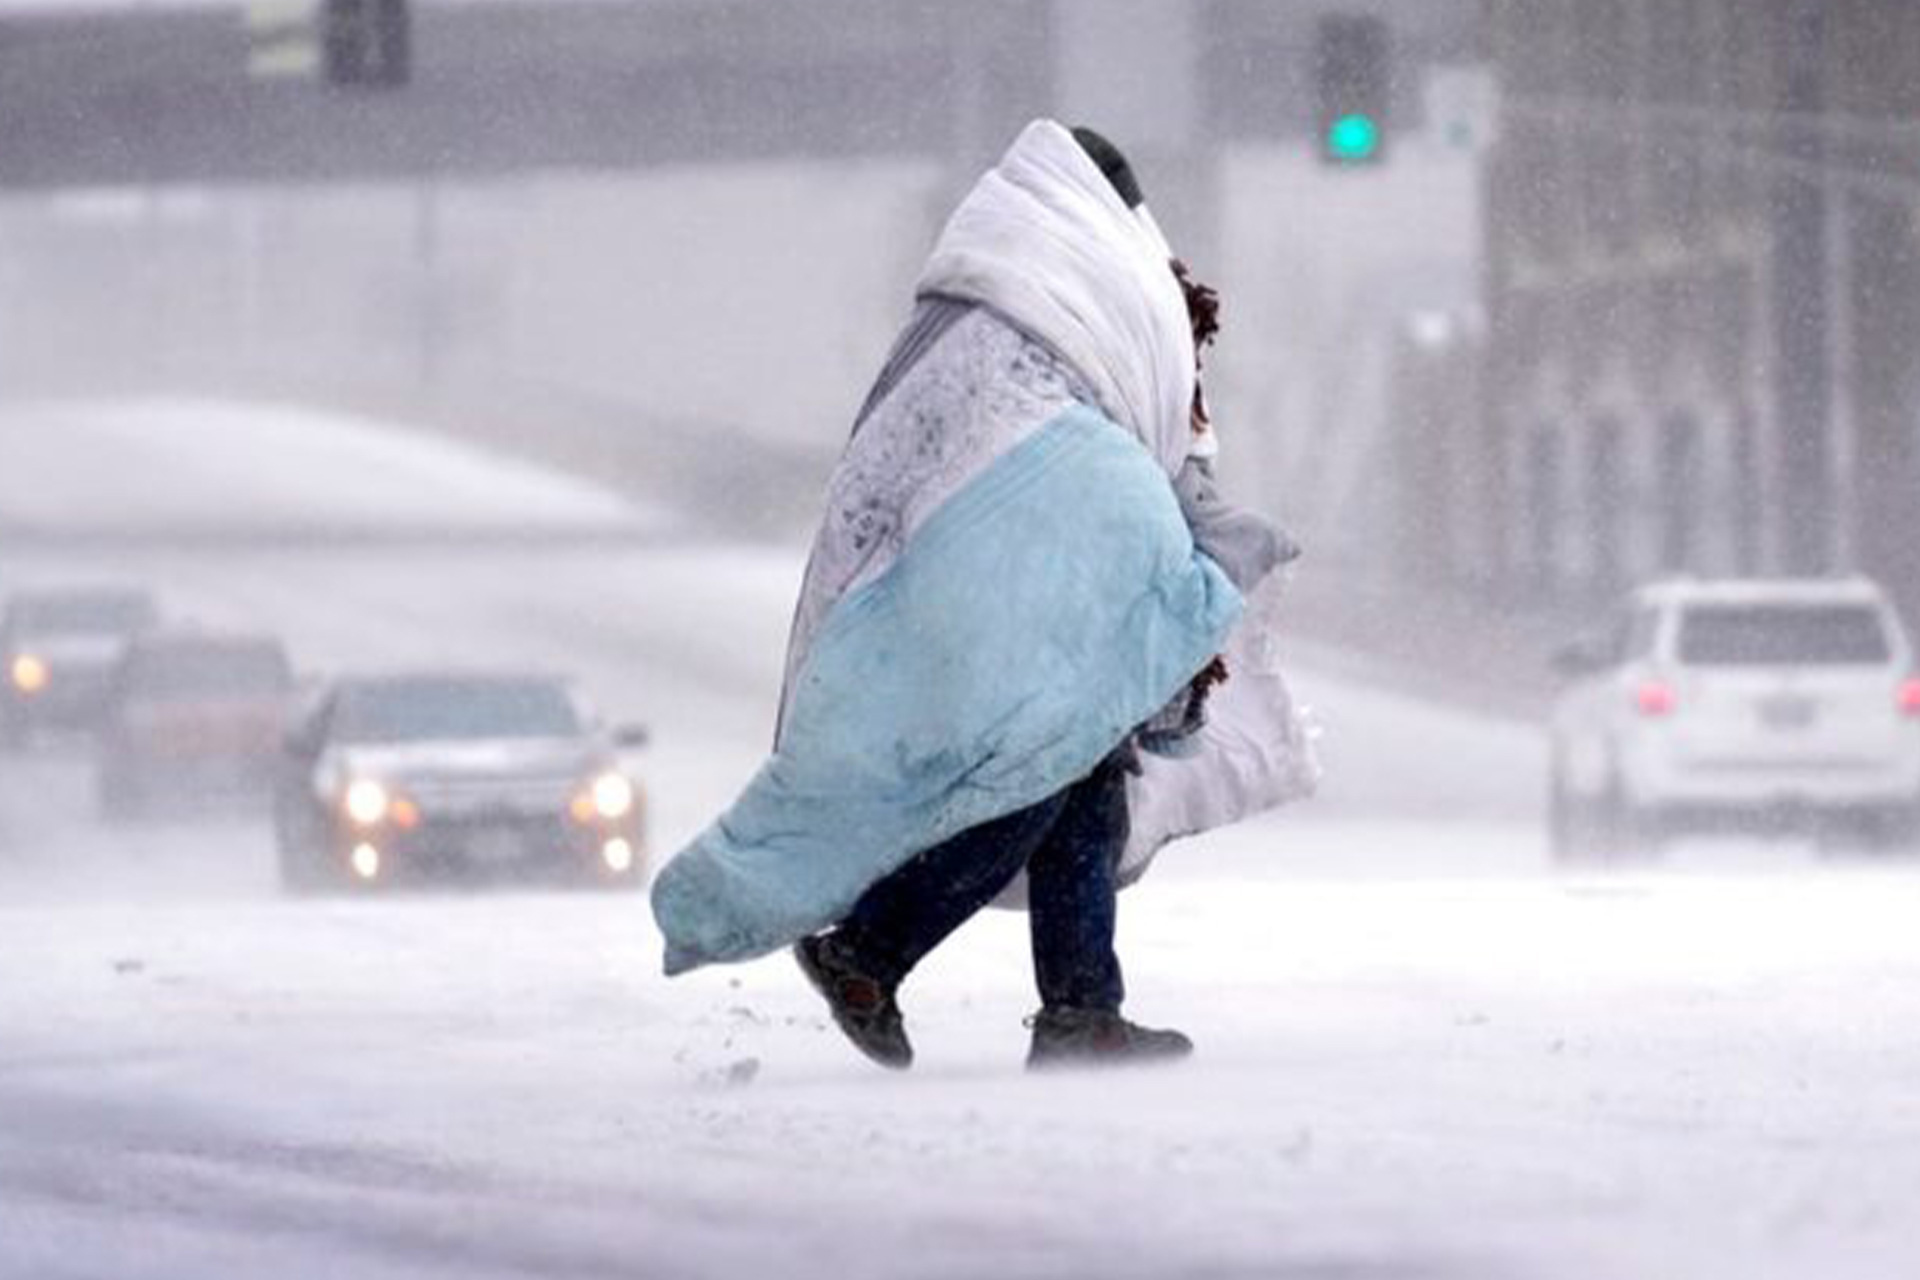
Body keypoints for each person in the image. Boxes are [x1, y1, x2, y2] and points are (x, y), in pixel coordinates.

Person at [650, 120, 1312, 1069]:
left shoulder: (976, 304)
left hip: (957, 569)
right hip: (1017, 566)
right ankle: (870, 952)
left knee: (1082, 768)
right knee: (1041, 763)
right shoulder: (1098, 288)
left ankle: (1080, 1009)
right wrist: (1193, 549)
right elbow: (1144, 433)